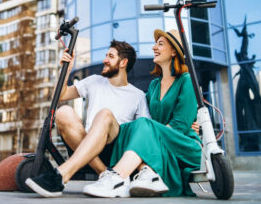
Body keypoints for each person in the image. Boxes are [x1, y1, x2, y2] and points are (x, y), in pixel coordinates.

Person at [83, 29, 202, 198]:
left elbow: (180, 125)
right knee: (131, 126)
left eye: (160, 44)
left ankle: (117, 177)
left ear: (174, 51)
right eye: (155, 43)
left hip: (183, 145)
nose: (154, 47)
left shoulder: (187, 81)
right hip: (158, 142)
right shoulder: (154, 85)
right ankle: (147, 174)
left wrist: (152, 136)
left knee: (144, 125)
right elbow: (146, 120)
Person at [25, 40, 151, 197]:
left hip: (114, 151)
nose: (105, 59)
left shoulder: (138, 96)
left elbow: (143, 132)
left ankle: (62, 175)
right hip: (84, 144)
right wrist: (66, 70)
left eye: (110, 56)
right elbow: (60, 96)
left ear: (123, 62)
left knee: (105, 114)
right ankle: (106, 174)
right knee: (63, 111)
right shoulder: (94, 81)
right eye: (106, 55)